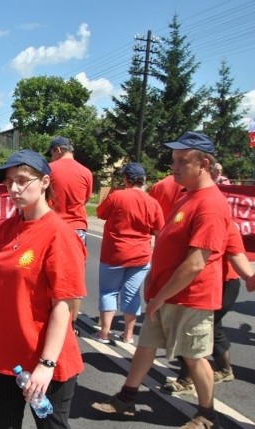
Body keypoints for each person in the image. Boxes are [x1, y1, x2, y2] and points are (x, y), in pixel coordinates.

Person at [91, 131, 232, 428]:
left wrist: (159, 296)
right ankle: (126, 399)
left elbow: (196, 263)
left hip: (189, 297)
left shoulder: (210, 204)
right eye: (173, 161)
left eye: (182, 161)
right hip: (167, 293)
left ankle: (207, 415)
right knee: (146, 346)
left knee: (194, 357)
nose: (174, 167)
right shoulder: (188, 196)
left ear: (204, 163)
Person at [0, 150, 86, 429]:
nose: (13, 189)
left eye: (22, 180)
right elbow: (0, 295)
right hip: (5, 360)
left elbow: (64, 306)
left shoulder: (59, 234)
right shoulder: (5, 230)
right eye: (8, 182)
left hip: (46, 363)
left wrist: (46, 365)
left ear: (44, 182)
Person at [161, 224, 255, 395]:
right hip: (199, 283)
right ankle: (225, 370)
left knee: (193, 328)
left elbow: (236, 253)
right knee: (213, 328)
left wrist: (249, 277)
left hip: (223, 285)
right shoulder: (190, 220)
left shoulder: (224, 224)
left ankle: (186, 381)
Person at [93, 163, 164, 344]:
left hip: (114, 253)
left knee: (109, 292)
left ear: (126, 179)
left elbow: (101, 213)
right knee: (132, 294)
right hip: (140, 254)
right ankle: (128, 335)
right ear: (144, 180)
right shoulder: (153, 202)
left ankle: (104, 333)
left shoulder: (117, 196)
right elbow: (159, 231)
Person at [47, 136, 93, 336]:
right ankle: (71, 323)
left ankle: (52, 317)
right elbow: (86, 199)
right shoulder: (86, 172)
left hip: (53, 226)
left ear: (57, 150)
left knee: (49, 275)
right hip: (77, 228)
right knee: (74, 277)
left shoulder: (50, 169)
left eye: (51, 153)